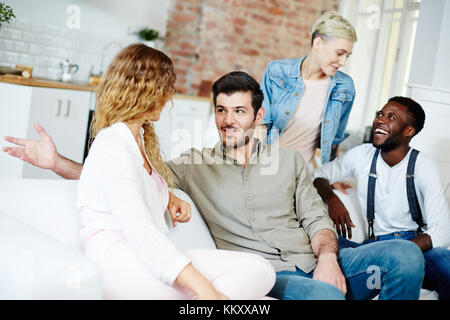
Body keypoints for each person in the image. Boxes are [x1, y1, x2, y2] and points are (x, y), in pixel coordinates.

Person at [3, 71, 425, 300]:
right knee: (323, 298)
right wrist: (56, 162)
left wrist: (329, 258)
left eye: (239, 111)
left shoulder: (289, 162)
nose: (228, 120)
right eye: (221, 111)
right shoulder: (194, 165)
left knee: (405, 255)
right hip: (272, 272)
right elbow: (123, 175)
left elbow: (316, 219)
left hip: (312, 255)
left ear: (259, 117)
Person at [12, 44, 277, 300]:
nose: (168, 97)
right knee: (251, 274)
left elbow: (125, 186)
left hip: (139, 257)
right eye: (164, 88)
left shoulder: (136, 139)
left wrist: (168, 197)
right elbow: (142, 233)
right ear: (144, 91)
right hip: (119, 265)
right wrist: (206, 290)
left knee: (260, 271)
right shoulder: (113, 144)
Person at [313, 96, 450, 300]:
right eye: (380, 114)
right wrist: (332, 200)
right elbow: (318, 176)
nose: (380, 120)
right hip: (374, 247)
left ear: (408, 131)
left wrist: (400, 253)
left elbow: (442, 230)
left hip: (416, 245)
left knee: (446, 263)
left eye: (391, 117)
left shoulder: (423, 166)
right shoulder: (362, 155)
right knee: (327, 249)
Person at [260, 11, 357, 165]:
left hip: (299, 175)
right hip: (265, 164)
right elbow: (261, 123)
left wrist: (331, 177)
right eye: (339, 53)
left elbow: (334, 141)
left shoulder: (344, 88)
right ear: (317, 43)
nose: (343, 62)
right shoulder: (277, 71)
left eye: (347, 56)